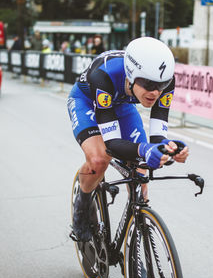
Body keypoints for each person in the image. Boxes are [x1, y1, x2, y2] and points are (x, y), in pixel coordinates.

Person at [67, 37, 189, 242]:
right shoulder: (103, 75)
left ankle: (139, 229)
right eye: (148, 84)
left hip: (121, 105)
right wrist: (145, 150)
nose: (155, 92)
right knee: (99, 159)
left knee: (140, 171)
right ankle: (82, 205)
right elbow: (113, 145)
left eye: (162, 85)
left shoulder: (164, 80)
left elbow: (157, 137)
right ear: (131, 75)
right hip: (87, 101)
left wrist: (168, 149)